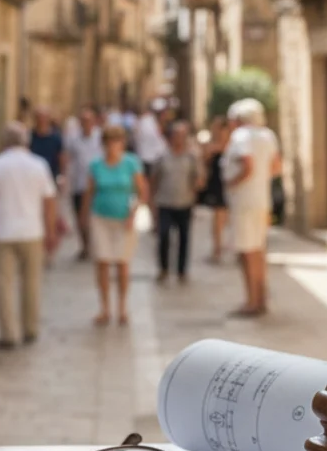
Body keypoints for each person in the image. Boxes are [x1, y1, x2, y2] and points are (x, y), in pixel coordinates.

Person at [0, 123, 59, 351]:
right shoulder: (38, 165)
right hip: (32, 231)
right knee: (32, 282)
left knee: (4, 284)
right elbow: (49, 201)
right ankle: (30, 329)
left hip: (2, 231)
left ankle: (8, 334)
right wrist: (51, 231)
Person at [82, 126, 149, 326]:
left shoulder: (131, 163)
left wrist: (134, 213)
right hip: (101, 217)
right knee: (102, 262)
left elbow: (142, 190)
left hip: (124, 219)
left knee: (122, 263)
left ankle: (122, 307)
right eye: (109, 142)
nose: (113, 146)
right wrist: (83, 216)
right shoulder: (96, 165)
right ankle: (104, 308)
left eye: (117, 141)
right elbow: (89, 192)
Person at [222, 98, 281, 318]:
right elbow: (276, 167)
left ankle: (251, 301)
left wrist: (232, 182)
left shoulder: (242, 136)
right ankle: (261, 297)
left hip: (244, 202)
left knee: (246, 253)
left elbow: (247, 165)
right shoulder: (268, 135)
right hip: (262, 200)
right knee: (258, 250)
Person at [151, 120, 203, 284]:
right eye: (176, 135)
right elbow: (154, 180)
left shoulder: (191, 157)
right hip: (165, 202)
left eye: (182, 135)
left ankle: (181, 271)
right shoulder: (162, 157)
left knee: (184, 238)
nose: (179, 139)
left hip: (184, 203)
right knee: (164, 236)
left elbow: (199, 179)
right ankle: (164, 268)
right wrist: (152, 203)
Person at [63, 107, 103, 261]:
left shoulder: (100, 136)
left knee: (95, 217)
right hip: (79, 182)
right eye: (83, 121)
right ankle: (85, 246)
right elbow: (68, 158)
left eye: (88, 120)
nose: (86, 123)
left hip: (98, 184)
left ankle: (96, 245)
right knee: (80, 216)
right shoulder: (72, 138)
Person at [199, 116, 231, 263]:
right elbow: (204, 160)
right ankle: (217, 249)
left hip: (230, 183)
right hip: (217, 183)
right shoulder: (211, 144)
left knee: (228, 217)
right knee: (218, 217)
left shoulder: (232, 144)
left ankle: (227, 247)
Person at [29, 107, 68, 191]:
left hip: (51, 175)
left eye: (44, 118)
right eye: (39, 118)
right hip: (33, 176)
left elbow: (61, 156)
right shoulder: (30, 136)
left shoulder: (55, 137)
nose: (41, 121)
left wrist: (62, 176)